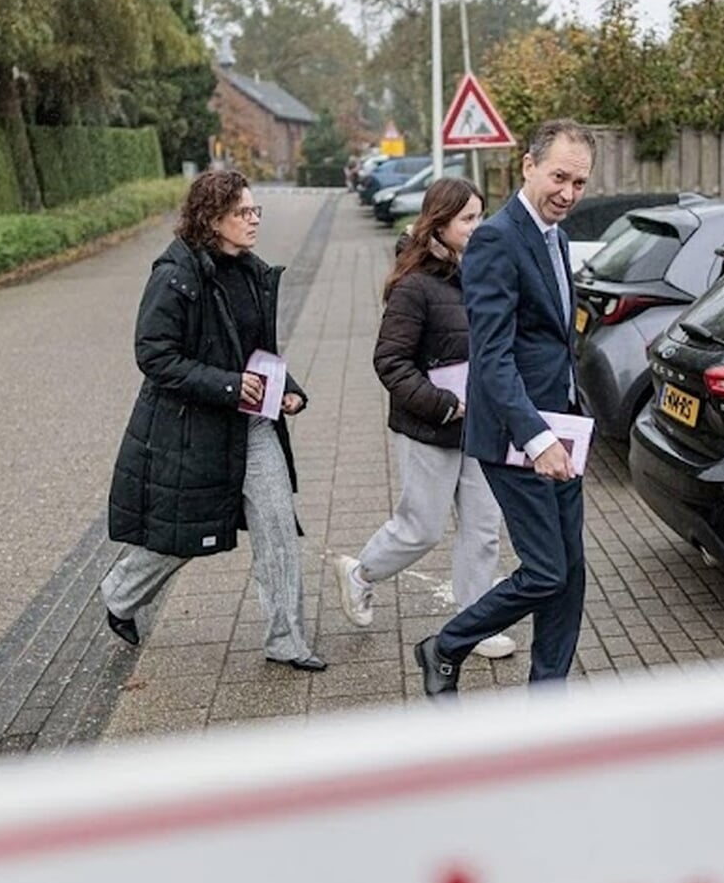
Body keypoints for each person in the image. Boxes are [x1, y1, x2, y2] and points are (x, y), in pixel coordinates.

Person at [98, 170, 326, 673]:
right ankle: (120, 593)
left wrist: (287, 389)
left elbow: (257, 352)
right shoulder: (176, 274)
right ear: (212, 217)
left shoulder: (250, 271)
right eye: (243, 212)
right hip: (196, 429)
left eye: (255, 211)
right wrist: (226, 385)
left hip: (254, 425)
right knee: (184, 535)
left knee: (277, 528)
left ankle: (286, 641)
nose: (253, 220)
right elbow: (154, 355)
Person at [413, 120, 595, 698]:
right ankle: (446, 645)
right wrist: (537, 439)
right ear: (528, 167)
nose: (567, 193)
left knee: (571, 574)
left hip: (562, 429)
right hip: (517, 436)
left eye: (580, 183)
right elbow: (491, 358)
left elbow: (550, 339)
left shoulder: (556, 237)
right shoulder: (497, 239)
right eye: (559, 177)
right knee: (545, 571)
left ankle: (548, 698)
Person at [330, 178, 513, 658]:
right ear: (441, 222)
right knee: (422, 528)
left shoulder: (478, 274)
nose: (478, 227)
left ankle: (475, 624)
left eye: (481, 216)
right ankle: (360, 572)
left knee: (483, 526)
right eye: (468, 219)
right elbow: (390, 362)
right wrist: (442, 402)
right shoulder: (413, 286)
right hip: (430, 428)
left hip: (479, 425)